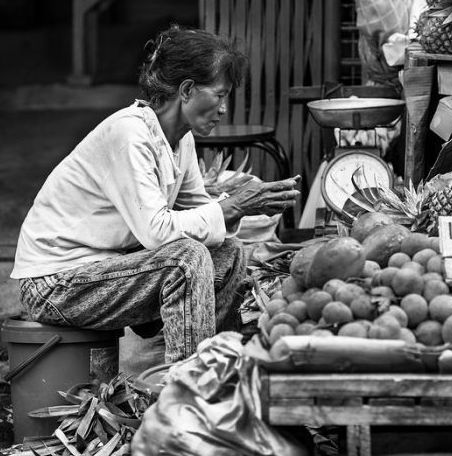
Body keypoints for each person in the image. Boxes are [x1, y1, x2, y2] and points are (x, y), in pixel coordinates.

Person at [11, 25, 300, 363]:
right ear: (188, 90)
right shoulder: (130, 133)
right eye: (220, 95)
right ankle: (187, 383)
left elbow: (197, 209)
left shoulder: (182, 138)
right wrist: (234, 205)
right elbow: (157, 232)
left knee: (230, 253)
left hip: (107, 270)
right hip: (55, 285)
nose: (224, 108)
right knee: (185, 259)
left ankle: (214, 364)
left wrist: (243, 204)